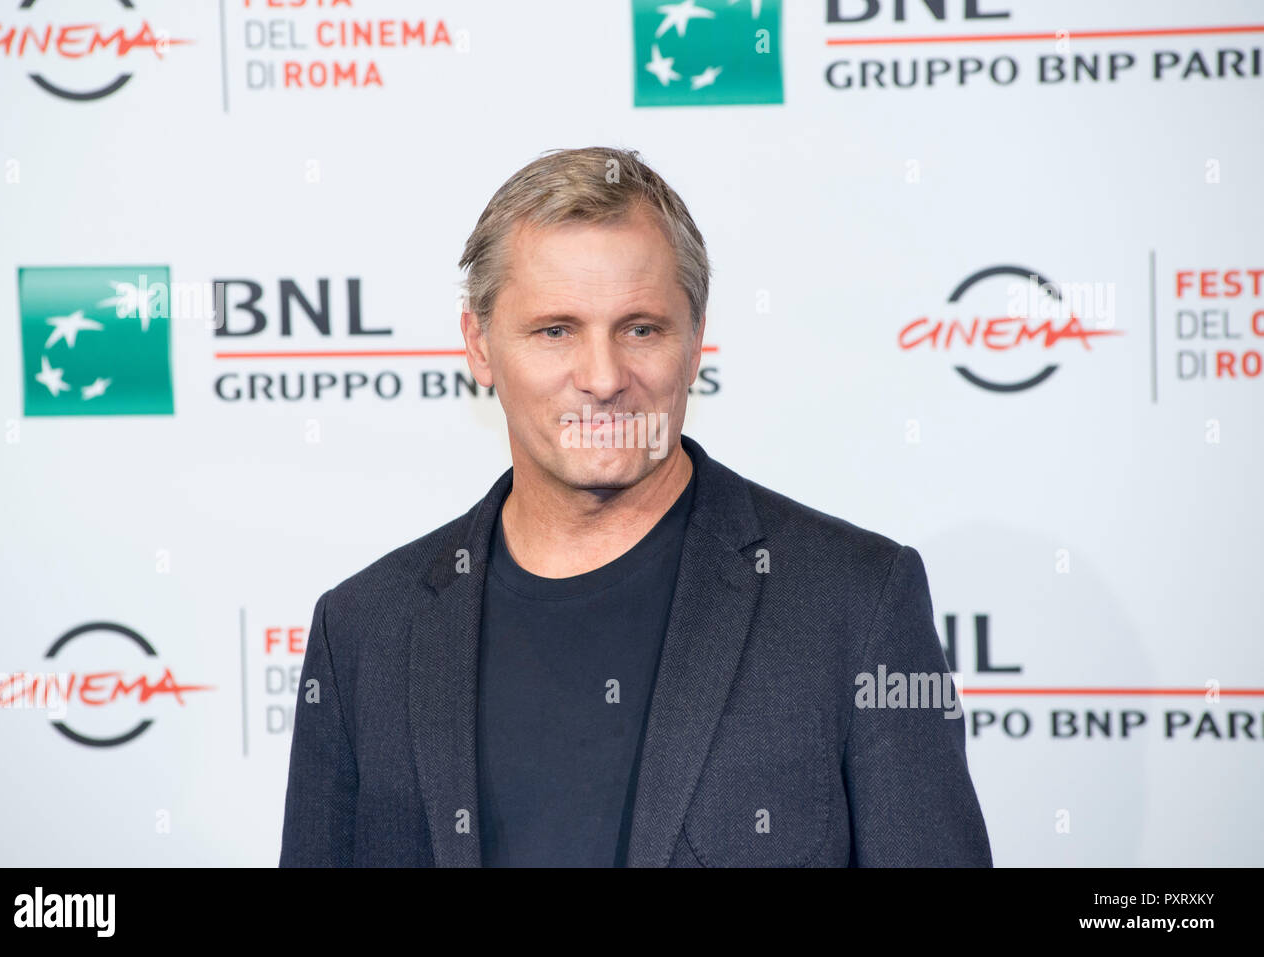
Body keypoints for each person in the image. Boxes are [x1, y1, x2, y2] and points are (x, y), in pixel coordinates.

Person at [279, 146, 992, 867]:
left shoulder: (856, 602)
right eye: (555, 330)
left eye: (641, 328)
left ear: (695, 343)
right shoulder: (363, 631)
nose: (602, 377)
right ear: (479, 345)